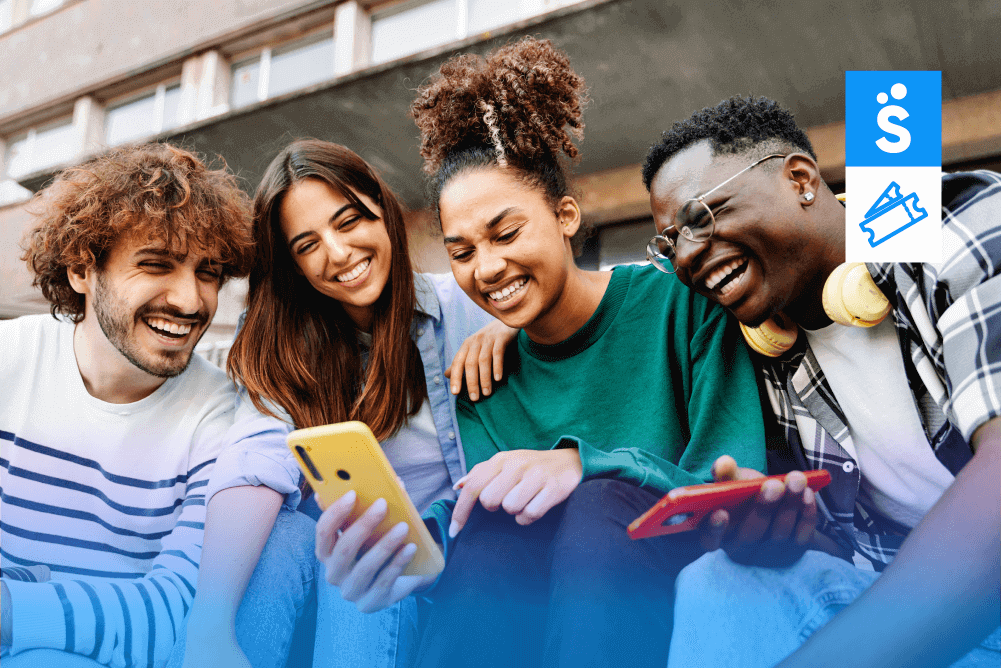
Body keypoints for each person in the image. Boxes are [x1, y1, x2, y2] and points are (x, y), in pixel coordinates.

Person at [316, 37, 765, 668]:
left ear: (566, 215)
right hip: (554, 607)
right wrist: (408, 542)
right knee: (490, 535)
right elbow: (488, 508)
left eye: (505, 232)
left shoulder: (681, 306)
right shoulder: (482, 376)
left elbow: (733, 481)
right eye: (462, 251)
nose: (489, 267)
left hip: (668, 573)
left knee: (597, 506)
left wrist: (587, 466)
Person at [641, 95, 1001, 668]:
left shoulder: (957, 222)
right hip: (907, 605)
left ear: (800, 179)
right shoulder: (767, 341)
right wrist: (780, 538)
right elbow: (849, 545)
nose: (686, 256)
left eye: (701, 217)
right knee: (721, 580)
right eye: (669, 243)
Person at [180, 139, 515, 668]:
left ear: (382, 210)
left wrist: (512, 329)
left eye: (349, 220)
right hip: (342, 583)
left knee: (365, 542)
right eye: (307, 244)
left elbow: (584, 298)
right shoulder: (286, 343)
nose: (337, 254)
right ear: (292, 266)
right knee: (300, 531)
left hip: (452, 577)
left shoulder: (466, 307)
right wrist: (208, 627)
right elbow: (254, 459)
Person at [0, 143, 257, 668]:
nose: (189, 301)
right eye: (155, 264)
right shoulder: (9, 361)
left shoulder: (221, 416)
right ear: (81, 271)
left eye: (208, 272)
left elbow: (174, 622)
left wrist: (10, 608)